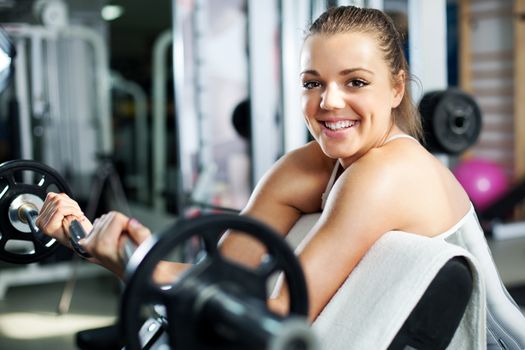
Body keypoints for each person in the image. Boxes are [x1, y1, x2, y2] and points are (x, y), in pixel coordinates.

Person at [36, 5, 524, 348]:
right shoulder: (304, 166)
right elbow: (223, 285)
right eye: (313, 83)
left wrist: (132, 262)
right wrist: (102, 245)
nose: (329, 102)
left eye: (355, 82)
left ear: (397, 88)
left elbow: (275, 317)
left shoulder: (387, 172)